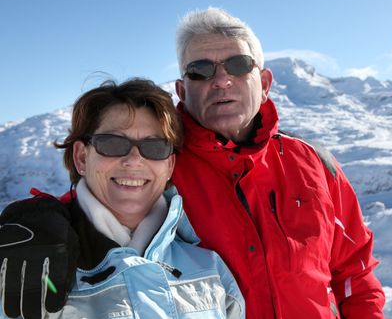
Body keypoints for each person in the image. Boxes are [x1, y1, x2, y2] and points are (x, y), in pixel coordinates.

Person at [1, 7, 385, 318]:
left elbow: (355, 273)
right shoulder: (161, 158)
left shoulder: (315, 166)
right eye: (201, 70)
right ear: (183, 90)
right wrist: (38, 218)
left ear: (264, 81)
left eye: (237, 65)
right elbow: (100, 195)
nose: (221, 81)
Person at [0, 79, 244, 319]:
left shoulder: (209, 269)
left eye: (155, 147)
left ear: (169, 165)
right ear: (82, 157)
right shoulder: (28, 267)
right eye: (113, 143)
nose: (134, 160)